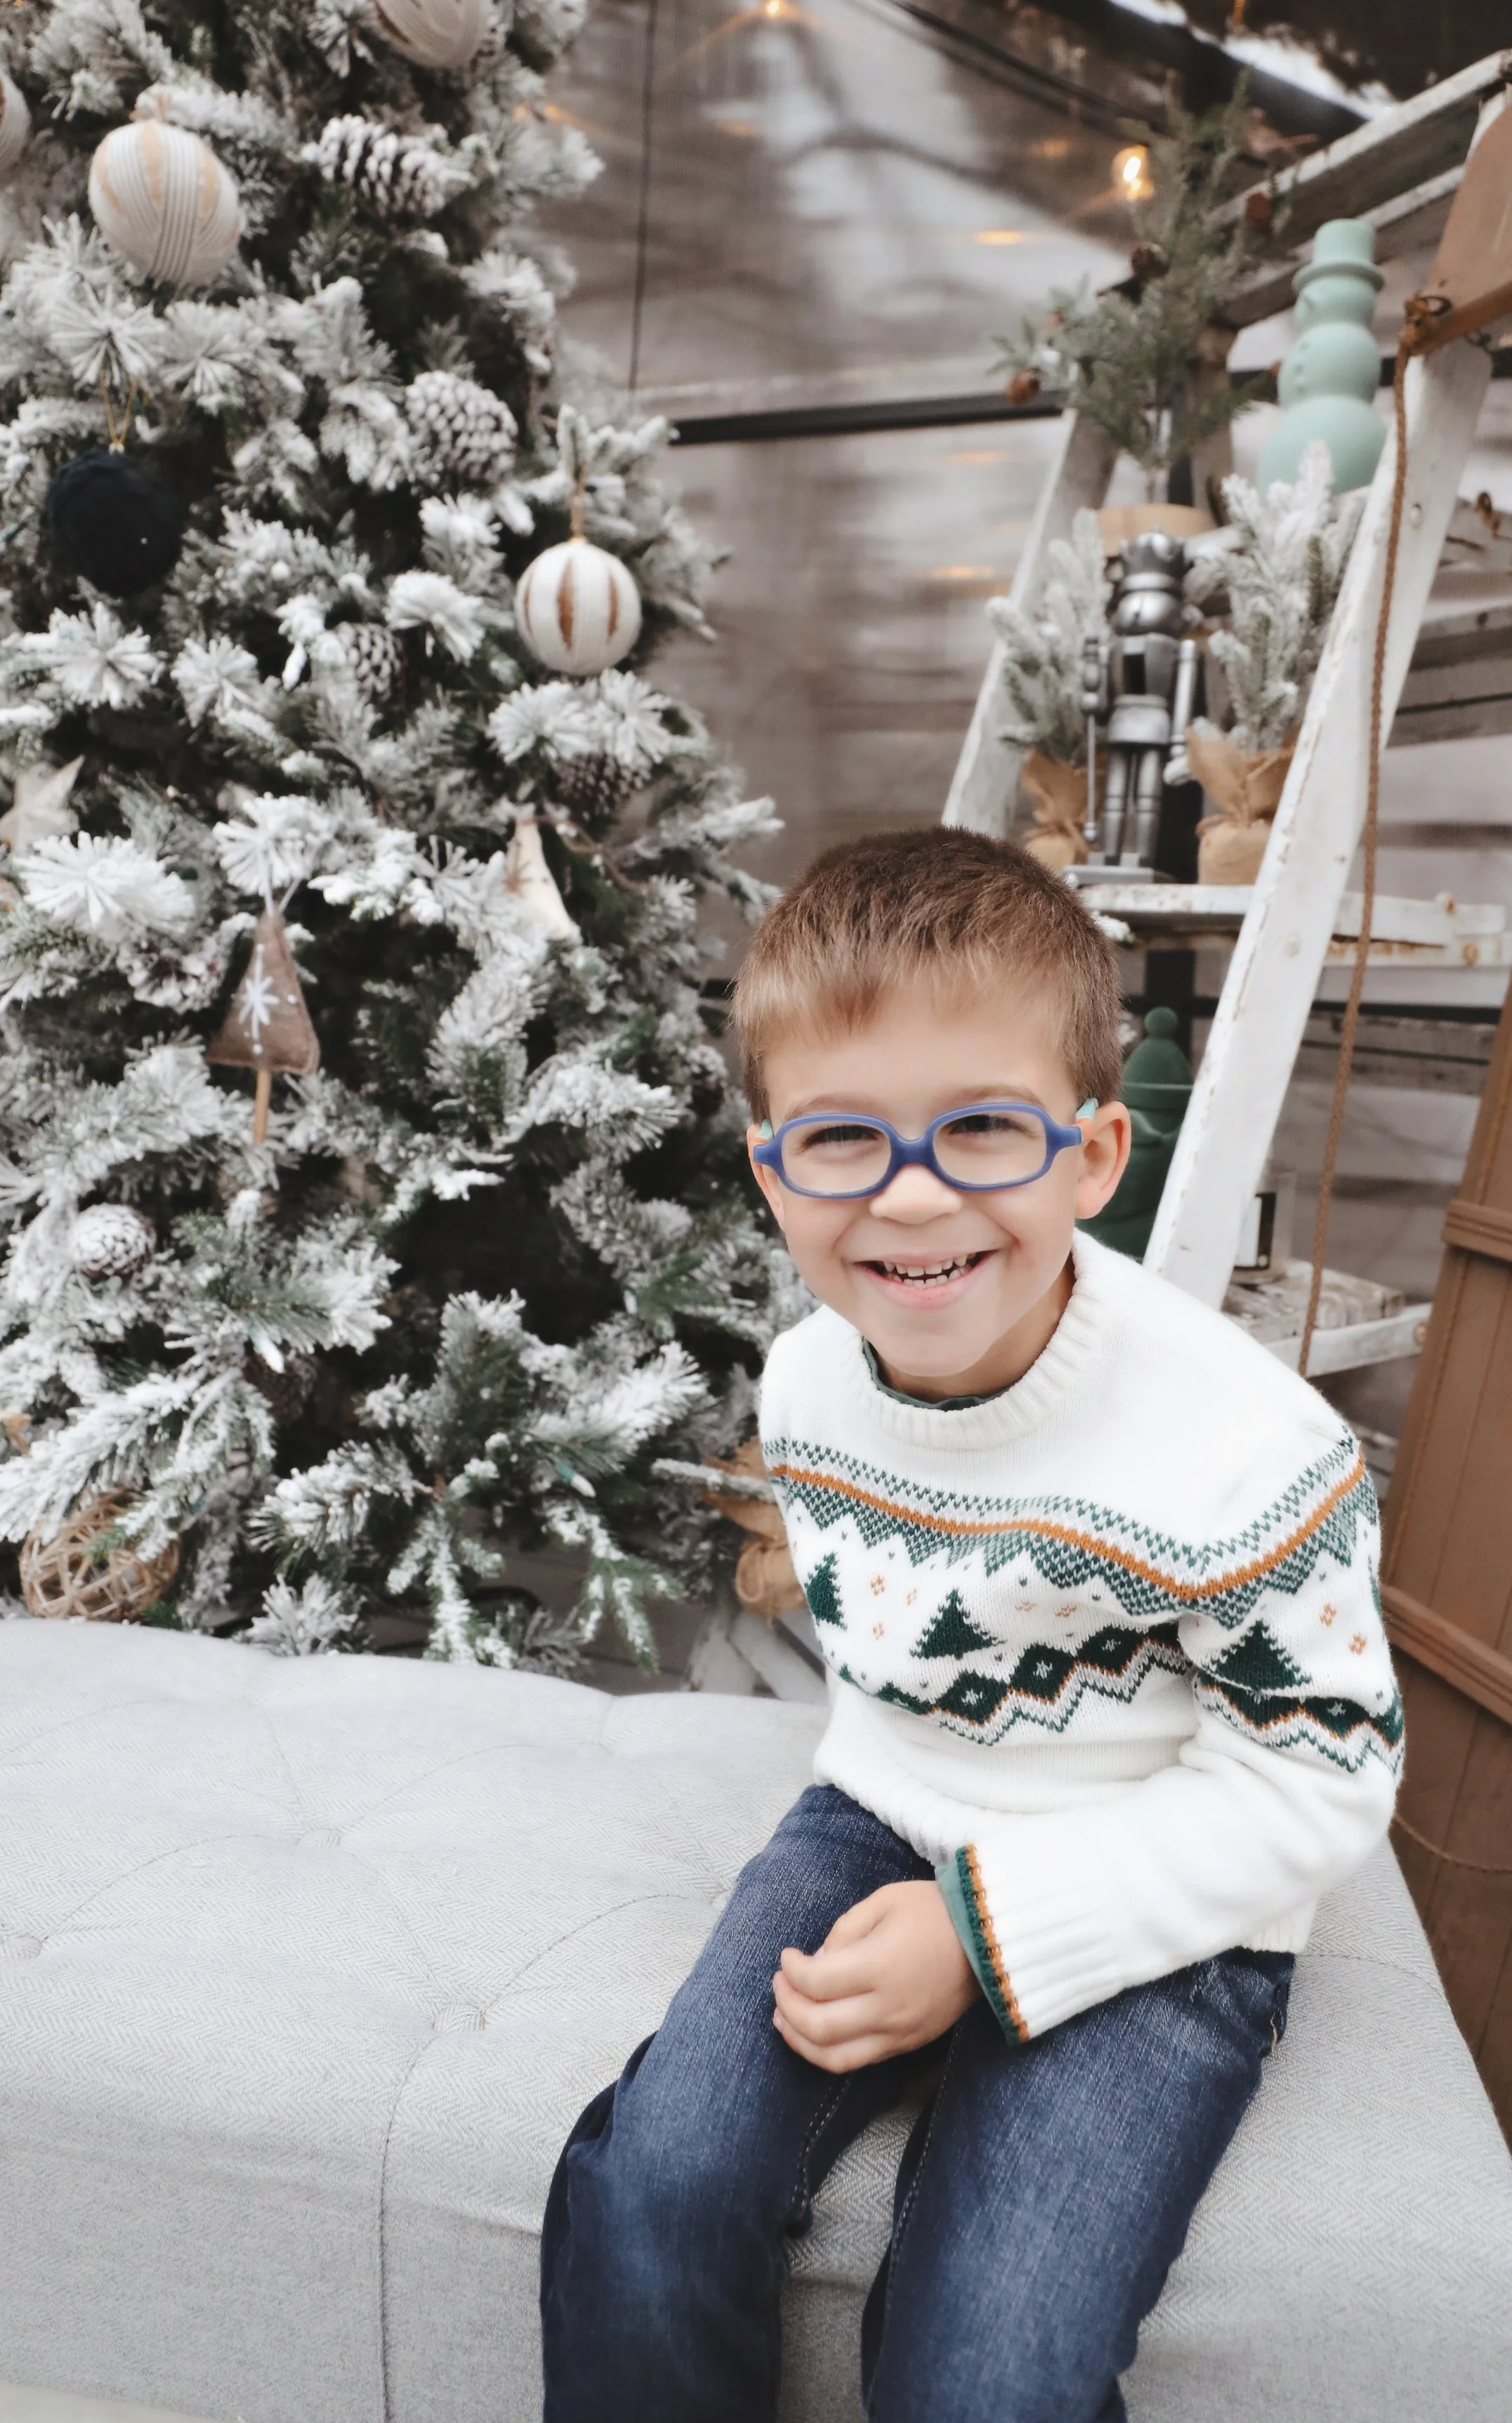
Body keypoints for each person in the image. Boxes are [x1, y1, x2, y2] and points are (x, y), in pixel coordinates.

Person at [541, 826, 1403, 2423]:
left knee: (988, 2369)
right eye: (843, 1141)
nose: (912, 1197)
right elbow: (885, 1685)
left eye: (982, 1130)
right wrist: (914, 1882)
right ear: (771, 1171)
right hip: (883, 1808)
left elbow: (1319, 1780)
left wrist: (983, 1937)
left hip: (1167, 1877)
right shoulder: (806, 1382)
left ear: (1089, 1157)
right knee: (652, 2186)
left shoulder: (1246, 1450)